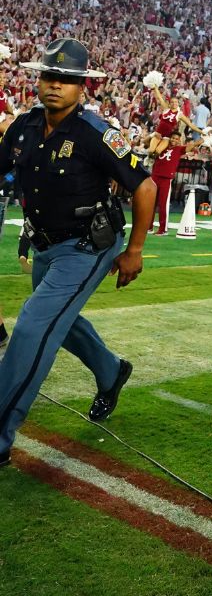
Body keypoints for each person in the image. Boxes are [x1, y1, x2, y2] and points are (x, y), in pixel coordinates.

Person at [0, 38, 156, 467]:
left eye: (67, 79)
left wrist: (135, 250)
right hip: (44, 243)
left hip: (87, 246)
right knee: (61, 322)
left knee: (32, 328)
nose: (56, 85)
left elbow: (145, 186)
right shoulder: (25, 126)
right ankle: (111, 371)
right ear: (38, 80)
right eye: (50, 75)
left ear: (82, 87)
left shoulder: (96, 133)